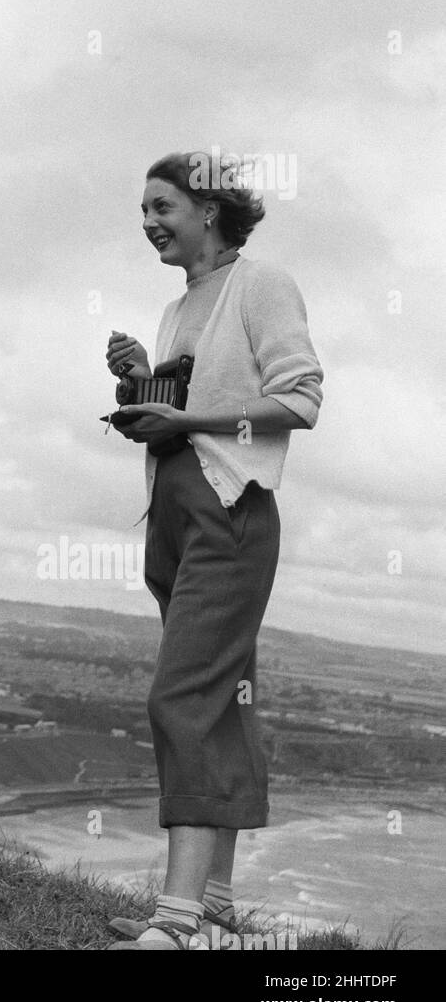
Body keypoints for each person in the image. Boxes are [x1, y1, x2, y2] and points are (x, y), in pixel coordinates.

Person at [103, 151, 323, 950]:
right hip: (174, 511)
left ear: (210, 207)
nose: (149, 222)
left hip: (230, 511)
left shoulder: (261, 282)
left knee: (183, 699)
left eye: (162, 206)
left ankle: (176, 922)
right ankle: (217, 910)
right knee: (225, 704)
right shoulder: (179, 304)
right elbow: (194, 403)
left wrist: (185, 421)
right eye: (144, 210)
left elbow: (298, 400)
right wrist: (144, 383)